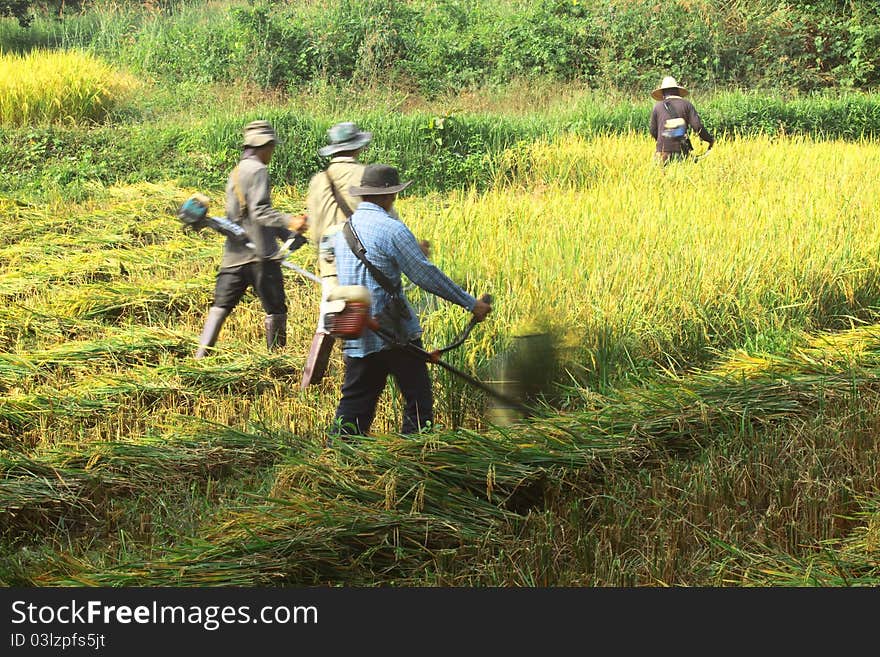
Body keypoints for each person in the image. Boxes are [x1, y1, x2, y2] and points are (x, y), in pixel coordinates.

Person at [329, 163, 492, 437]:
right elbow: (425, 275)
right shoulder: (392, 229)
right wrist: (470, 303)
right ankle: (414, 457)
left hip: (359, 330)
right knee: (418, 402)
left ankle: (337, 461)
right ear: (387, 196)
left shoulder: (342, 231)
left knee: (355, 404)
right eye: (394, 195)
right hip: (393, 332)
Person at [194, 119, 307, 359]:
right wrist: (291, 222)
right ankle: (276, 360)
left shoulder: (235, 172)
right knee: (276, 309)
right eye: (271, 148)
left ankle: (200, 357)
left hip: (234, 255)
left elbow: (243, 217)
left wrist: (288, 236)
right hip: (261, 256)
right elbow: (260, 212)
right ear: (263, 146)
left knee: (220, 306)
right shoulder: (258, 170)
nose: (272, 153)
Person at [300, 122, 374, 386]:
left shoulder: (319, 181)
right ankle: (355, 378)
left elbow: (316, 226)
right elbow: (382, 219)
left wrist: (321, 257)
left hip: (329, 254)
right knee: (366, 313)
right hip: (361, 253)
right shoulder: (367, 176)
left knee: (329, 315)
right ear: (357, 147)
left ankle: (309, 383)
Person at [649, 75, 715, 164]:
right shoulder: (686, 105)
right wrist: (709, 140)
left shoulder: (657, 107)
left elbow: (653, 131)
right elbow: (697, 126)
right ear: (677, 91)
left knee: (660, 176)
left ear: (663, 93)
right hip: (681, 151)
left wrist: (664, 140)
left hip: (662, 152)